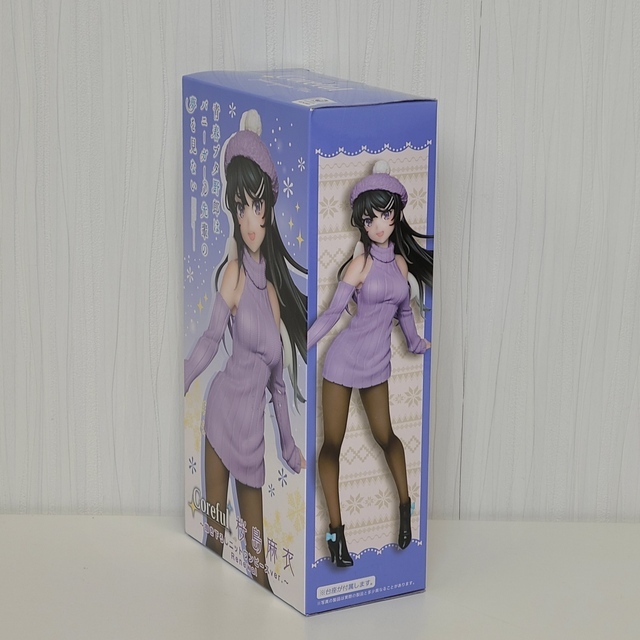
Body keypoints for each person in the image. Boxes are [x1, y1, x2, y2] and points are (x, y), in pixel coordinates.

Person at [184, 110, 307, 590]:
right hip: (221, 416)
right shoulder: (233, 276)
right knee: (214, 539)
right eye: (240, 207)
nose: (249, 220)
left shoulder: (273, 296)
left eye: (256, 205)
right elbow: (209, 340)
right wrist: (182, 377)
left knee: (259, 563)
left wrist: (289, 444)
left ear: (269, 209)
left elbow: (278, 385)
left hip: (253, 436)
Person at [308, 160, 432, 567]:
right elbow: (332, 314)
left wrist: (415, 342)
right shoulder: (359, 265)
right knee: (333, 444)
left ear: (396, 215)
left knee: (387, 437)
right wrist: (302, 343)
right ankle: (336, 534)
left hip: (377, 363)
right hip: (343, 361)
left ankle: (405, 511)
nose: (379, 225)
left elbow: (405, 313)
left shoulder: (400, 265)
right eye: (370, 218)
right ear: (361, 222)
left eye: (385, 215)